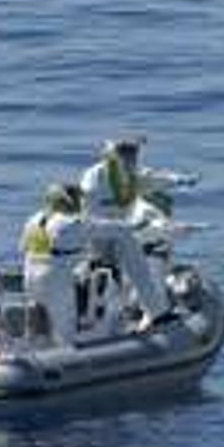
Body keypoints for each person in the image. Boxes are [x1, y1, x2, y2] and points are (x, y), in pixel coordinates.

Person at [79, 138, 185, 330]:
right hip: (99, 229)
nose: (131, 159)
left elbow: (150, 180)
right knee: (98, 269)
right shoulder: (95, 176)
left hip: (123, 230)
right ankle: (91, 314)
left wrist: (176, 180)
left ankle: (155, 313)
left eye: (133, 155)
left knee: (137, 270)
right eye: (126, 155)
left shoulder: (131, 173)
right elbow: (88, 200)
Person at [19, 183, 87, 346]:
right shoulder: (70, 222)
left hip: (31, 277)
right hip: (55, 280)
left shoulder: (33, 220)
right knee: (65, 328)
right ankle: (67, 358)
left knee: (37, 317)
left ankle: (36, 348)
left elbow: (23, 247)